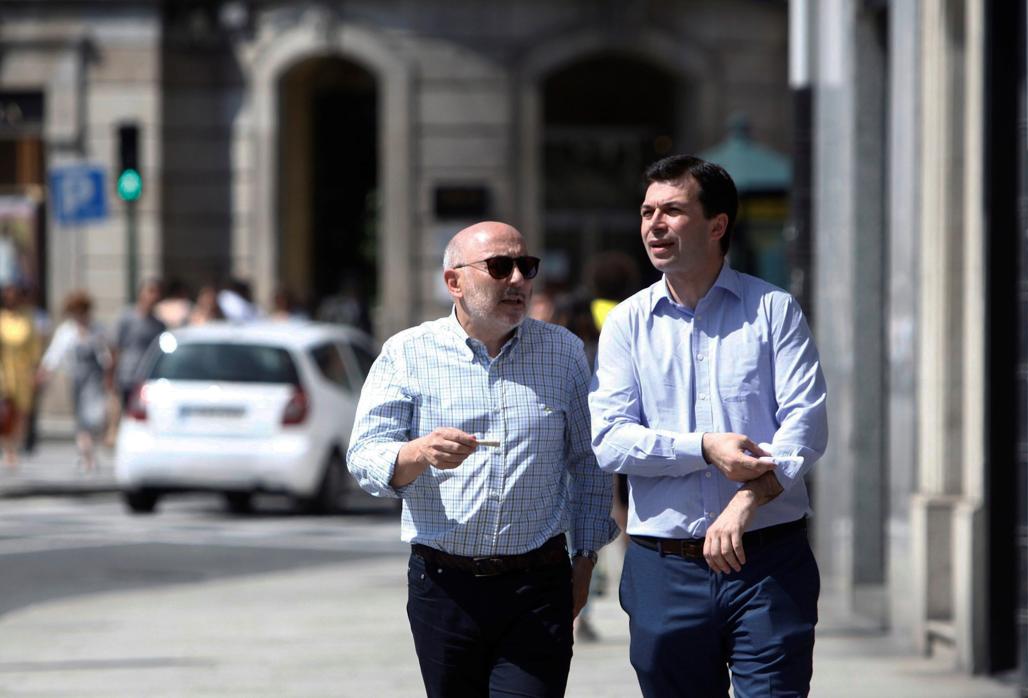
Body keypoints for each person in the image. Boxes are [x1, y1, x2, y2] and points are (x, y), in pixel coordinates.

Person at [588, 155, 828, 697]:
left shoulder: (773, 311)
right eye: (647, 211)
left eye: (673, 210)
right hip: (664, 568)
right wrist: (704, 448)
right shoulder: (627, 322)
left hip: (766, 561)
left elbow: (806, 426)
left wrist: (747, 500)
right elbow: (608, 439)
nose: (654, 224)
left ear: (717, 225)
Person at [346, 221, 617, 696]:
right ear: (455, 282)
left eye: (525, 266)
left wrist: (586, 560)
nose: (517, 279)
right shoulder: (407, 353)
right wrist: (418, 452)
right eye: (499, 267)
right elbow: (365, 455)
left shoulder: (564, 352)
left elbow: (588, 462)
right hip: (445, 585)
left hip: (538, 585)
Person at [38, 291, 112, 471]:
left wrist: (109, 374)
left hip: (95, 380)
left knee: (96, 417)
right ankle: (87, 456)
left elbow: (107, 356)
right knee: (82, 419)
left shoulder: (98, 329)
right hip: (77, 380)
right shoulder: (66, 331)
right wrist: (45, 372)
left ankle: (88, 450)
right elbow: (55, 353)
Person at [0, 284, 41, 467]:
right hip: (4, 370)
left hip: (23, 372)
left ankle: (15, 445)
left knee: (22, 413)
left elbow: (34, 348)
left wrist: (35, 370)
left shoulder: (27, 319)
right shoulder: (2, 319)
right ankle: (8, 449)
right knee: (7, 412)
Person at [111, 278, 165, 414]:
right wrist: (111, 376)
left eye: (157, 292)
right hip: (127, 376)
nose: (154, 296)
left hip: (148, 379)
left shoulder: (159, 325)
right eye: (151, 291)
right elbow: (115, 346)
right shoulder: (127, 317)